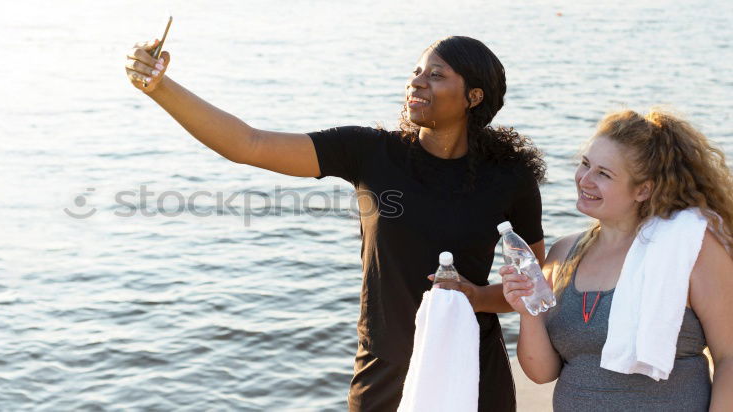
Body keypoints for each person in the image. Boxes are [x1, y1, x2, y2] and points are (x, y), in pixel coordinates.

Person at [125, 35, 547, 411]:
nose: (417, 82)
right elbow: (247, 144)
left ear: (473, 97)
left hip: (471, 366)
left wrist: (474, 297)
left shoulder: (508, 175)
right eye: (416, 72)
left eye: (436, 75)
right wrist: (160, 87)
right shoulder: (369, 152)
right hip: (386, 371)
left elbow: (537, 282)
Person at [502, 109, 733, 410]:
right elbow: (542, 372)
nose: (585, 179)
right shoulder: (563, 254)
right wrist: (527, 311)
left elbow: (729, 356)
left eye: (604, 173)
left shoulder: (689, 249)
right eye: (585, 164)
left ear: (643, 189)